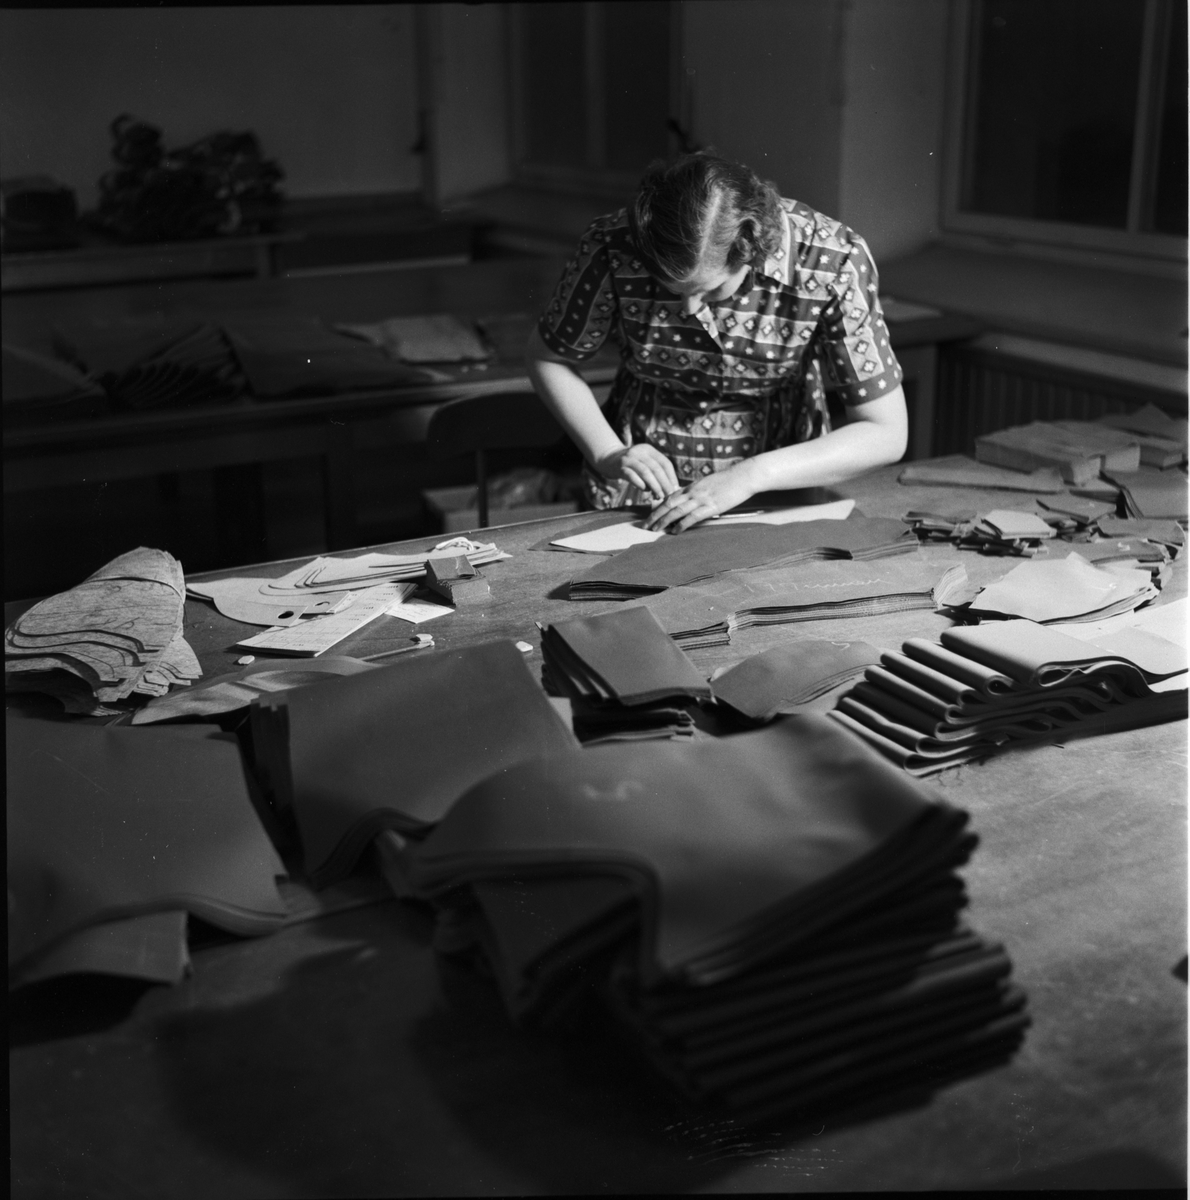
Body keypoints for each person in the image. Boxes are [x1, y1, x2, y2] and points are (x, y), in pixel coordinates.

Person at [525, 151, 908, 533]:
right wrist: (608, 452)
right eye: (670, 289)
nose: (688, 309)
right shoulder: (611, 245)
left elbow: (886, 433)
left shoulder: (833, 260)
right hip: (642, 477)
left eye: (709, 290)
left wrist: (751, 475)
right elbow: (548, 357)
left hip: (781, 477)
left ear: (751, 250)